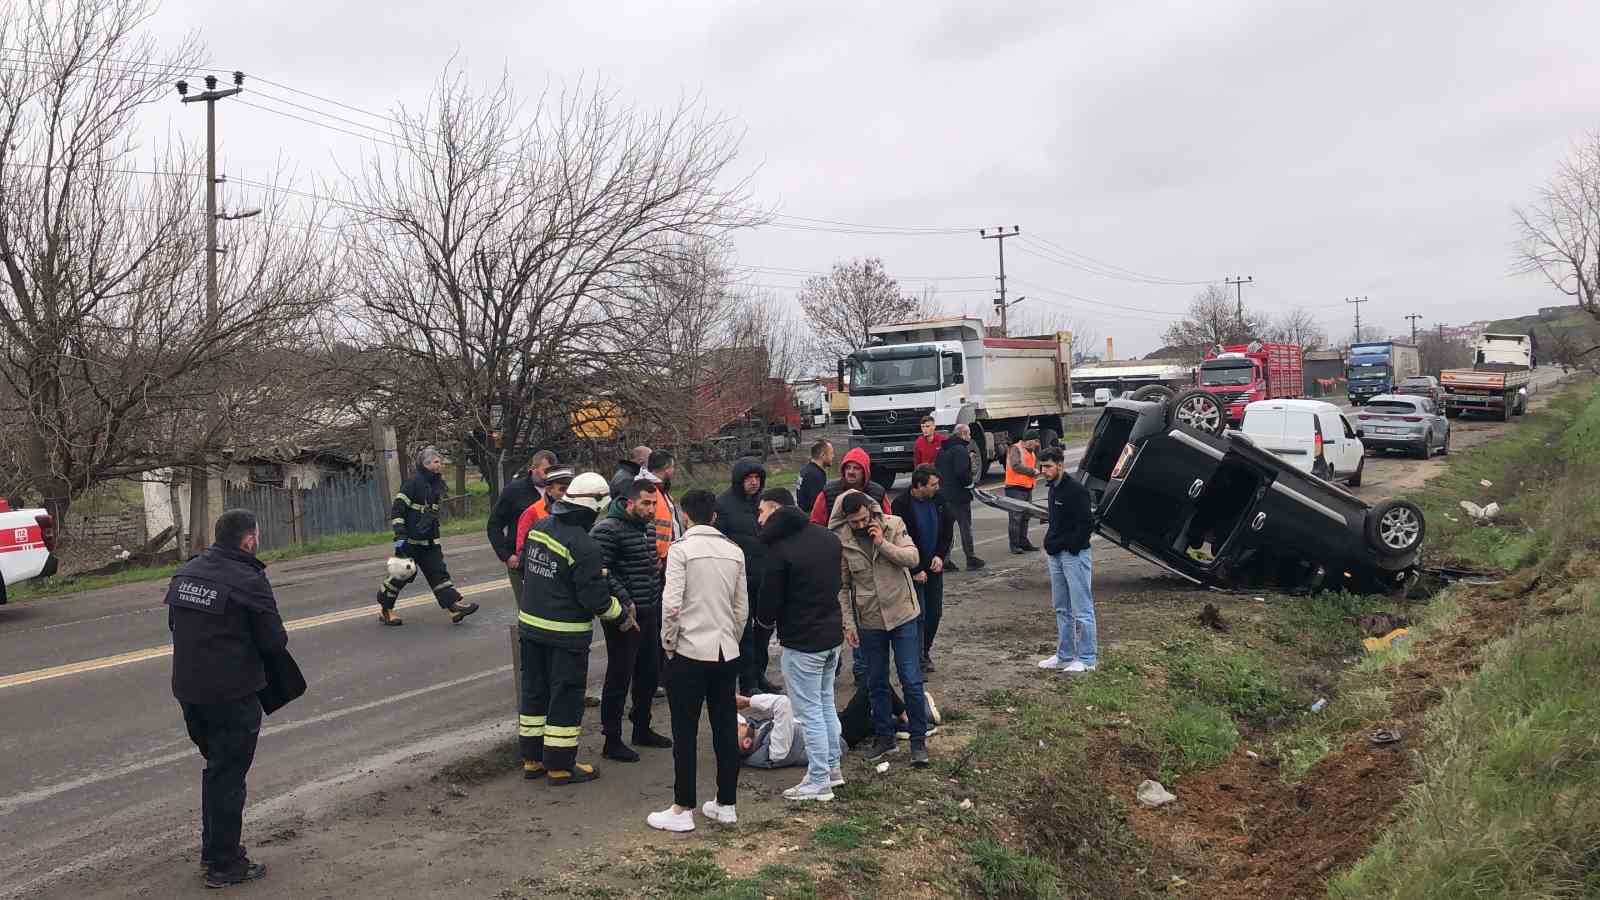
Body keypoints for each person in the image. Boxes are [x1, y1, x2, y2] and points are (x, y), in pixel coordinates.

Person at [167, 509, 287, 888]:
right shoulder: (248, 579)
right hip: (231, 695)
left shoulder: (187, 572)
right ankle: (224, 864)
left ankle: (214, 853)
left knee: (217, 771)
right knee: (227, 775)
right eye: (257, 536)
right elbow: (273, 641)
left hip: (189, 692)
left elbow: (175, 624)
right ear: (248, 540)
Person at [517, 472, 632, 787]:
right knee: (565, 697)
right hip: (565, 635)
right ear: (591, 507)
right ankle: (560, 766)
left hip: (530, 628)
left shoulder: (540, 528)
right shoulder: (584, 545)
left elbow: (528, 565)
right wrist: (620, 614)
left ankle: (532, 759)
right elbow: (594, 598)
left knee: (534, 692)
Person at [650, 489, 748, 833]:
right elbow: (741, 608)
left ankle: (683, 806)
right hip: (725, 650)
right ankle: (727, 803)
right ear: (715, 516)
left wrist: (669, 643)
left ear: (685, 516)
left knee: (685, 730)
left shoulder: (681, 551)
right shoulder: (734, 552)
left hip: (689, 650)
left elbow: (672, 604)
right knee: (724, 727)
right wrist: (730, 638)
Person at [755, 487, 846, 801]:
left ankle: (818, 779)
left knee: (809, 713)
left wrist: (763, 625)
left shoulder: (779, 549)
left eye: (762, 511)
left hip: (802, 641)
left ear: (777, 509)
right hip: (831, 635)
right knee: (825, 705)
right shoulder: (827, 538)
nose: (759, 518)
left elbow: (769, 602)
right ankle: (832, 768)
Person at [830, 490, 930, 768]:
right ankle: (885, 738)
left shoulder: (894, 525)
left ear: (871, 512)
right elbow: (842, 587)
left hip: (903, 614)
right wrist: (848, 624)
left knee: (911, 678)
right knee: (875, 681)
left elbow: (912, 558)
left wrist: (882, 543)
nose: (861, 525)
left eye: (864, 519)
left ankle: (918, 740)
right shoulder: (843, 542)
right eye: (854, 522)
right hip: (870, 619)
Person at [591, 478, 671, 762]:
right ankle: (611, 739)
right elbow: (600, 571)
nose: (651, 509)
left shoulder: (646, 527)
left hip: (649, 610)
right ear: (629, 503)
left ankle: (642, 727)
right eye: (646, 503)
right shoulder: (607, 530)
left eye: (654, 503)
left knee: (649, 673)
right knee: (619, 675)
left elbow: (648, 567)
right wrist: (625, 599)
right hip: (624, 616)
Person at [377, 447, 480, 626]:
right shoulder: (412, 483)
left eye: (438, 461)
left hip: (431, 542)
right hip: (410, 542)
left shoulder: (437, 485)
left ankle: (453, 608)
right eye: (432, 462)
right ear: (423, 465)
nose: (436, 465)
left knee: (438, 574)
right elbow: (397, 509)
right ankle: (386, 610)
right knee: (401, 575)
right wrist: (400, 533)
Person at [716, 456, 778, 694]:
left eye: (757, 478)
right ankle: (747, 683)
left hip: (764, 577)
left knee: (764, 631)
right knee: (745, 634)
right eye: (749, 478)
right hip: (738, 579)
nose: (753, 483)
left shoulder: (764, 502)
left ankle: (759, 676)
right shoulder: (723, 504)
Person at [1036, 447, 1098, 673]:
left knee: (1082, 609)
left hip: (1075, 556)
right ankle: (1064, 655)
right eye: (1042, 466)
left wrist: (1071, 547)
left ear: (1060, 465)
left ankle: (1088, 659)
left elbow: (1086, 524)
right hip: (1056, 556)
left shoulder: (1076, 491)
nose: (1044, 471)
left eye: (1049, 466)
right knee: (1062, 608)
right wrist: (1051, 543)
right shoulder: (1053, 489)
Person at [890, 466, 953, 673]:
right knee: (918, 615)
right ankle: (916, 661)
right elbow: (899, 539)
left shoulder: (939, 500)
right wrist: (916, 568)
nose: (937, 488)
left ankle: (925, 650)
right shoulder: (901, 505)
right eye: (933, 485)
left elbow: (947, 530)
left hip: (934, 567)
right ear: (919, 486)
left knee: (934, 613)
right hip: (912, 570)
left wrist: (940, 556)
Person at [489, 450, 559, 598]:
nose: (549, 476)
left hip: (551, 561)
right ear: (533, 468)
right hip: (521, 561)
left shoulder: (558, 491)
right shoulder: (514, 491)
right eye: (545, 471)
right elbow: (494, 525)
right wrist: (506, 556)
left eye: (553, 471)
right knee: (526, 608)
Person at [935, 424, 985, 571]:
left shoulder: (943, 449)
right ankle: (971, 558)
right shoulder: (961, 450)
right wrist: (970, 484)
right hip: (959, 496)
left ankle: (945, 559)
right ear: (963, 434)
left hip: (943, 495)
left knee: (946, 528)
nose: (970, 437)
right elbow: (962, 472)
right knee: (965, 528)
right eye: (969, 434)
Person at [807, 446, 891, 526]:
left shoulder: (878, 493)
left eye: (856, 468)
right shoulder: (828, 492)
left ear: (865, 472)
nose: (850, 472)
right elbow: (816, 523)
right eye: (847, 467)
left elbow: (889, 523)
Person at [511, 467, 575, 558]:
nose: (567, 494)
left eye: (570, 489)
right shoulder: (531, 513)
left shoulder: (576, 510)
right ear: (549, 490)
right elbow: (522, 550)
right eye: (562, 490)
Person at [734, 692, 806, 770]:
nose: (742, 723)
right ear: (747, 742)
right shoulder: (775, 751)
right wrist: (747, 701)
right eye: (738, 726)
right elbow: (782, 703)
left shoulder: (758, 737)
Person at [643, 450, 684, 562]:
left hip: (665, 553)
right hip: (658, 557)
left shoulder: (660, 489)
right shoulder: (647, 490)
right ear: (666, 468)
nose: (674, 470)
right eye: (672, 467)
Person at [1005, 431, 1042, 555]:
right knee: (1016, 518)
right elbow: (1015, 466)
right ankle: (1014, 545)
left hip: (1026, 487)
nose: (1037, 445)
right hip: (1015, 488)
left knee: (1025, 516)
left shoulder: (1030, 451)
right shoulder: (1016, 449)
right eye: (1035, 442)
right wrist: (1032, 471)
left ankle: (1023, 542)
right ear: (1029, 440)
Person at [795, 439, 833, 516]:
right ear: (822, 455)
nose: (833, 456)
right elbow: (818, 505)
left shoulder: (806, 470)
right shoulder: (815, 475)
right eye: (831, 453)